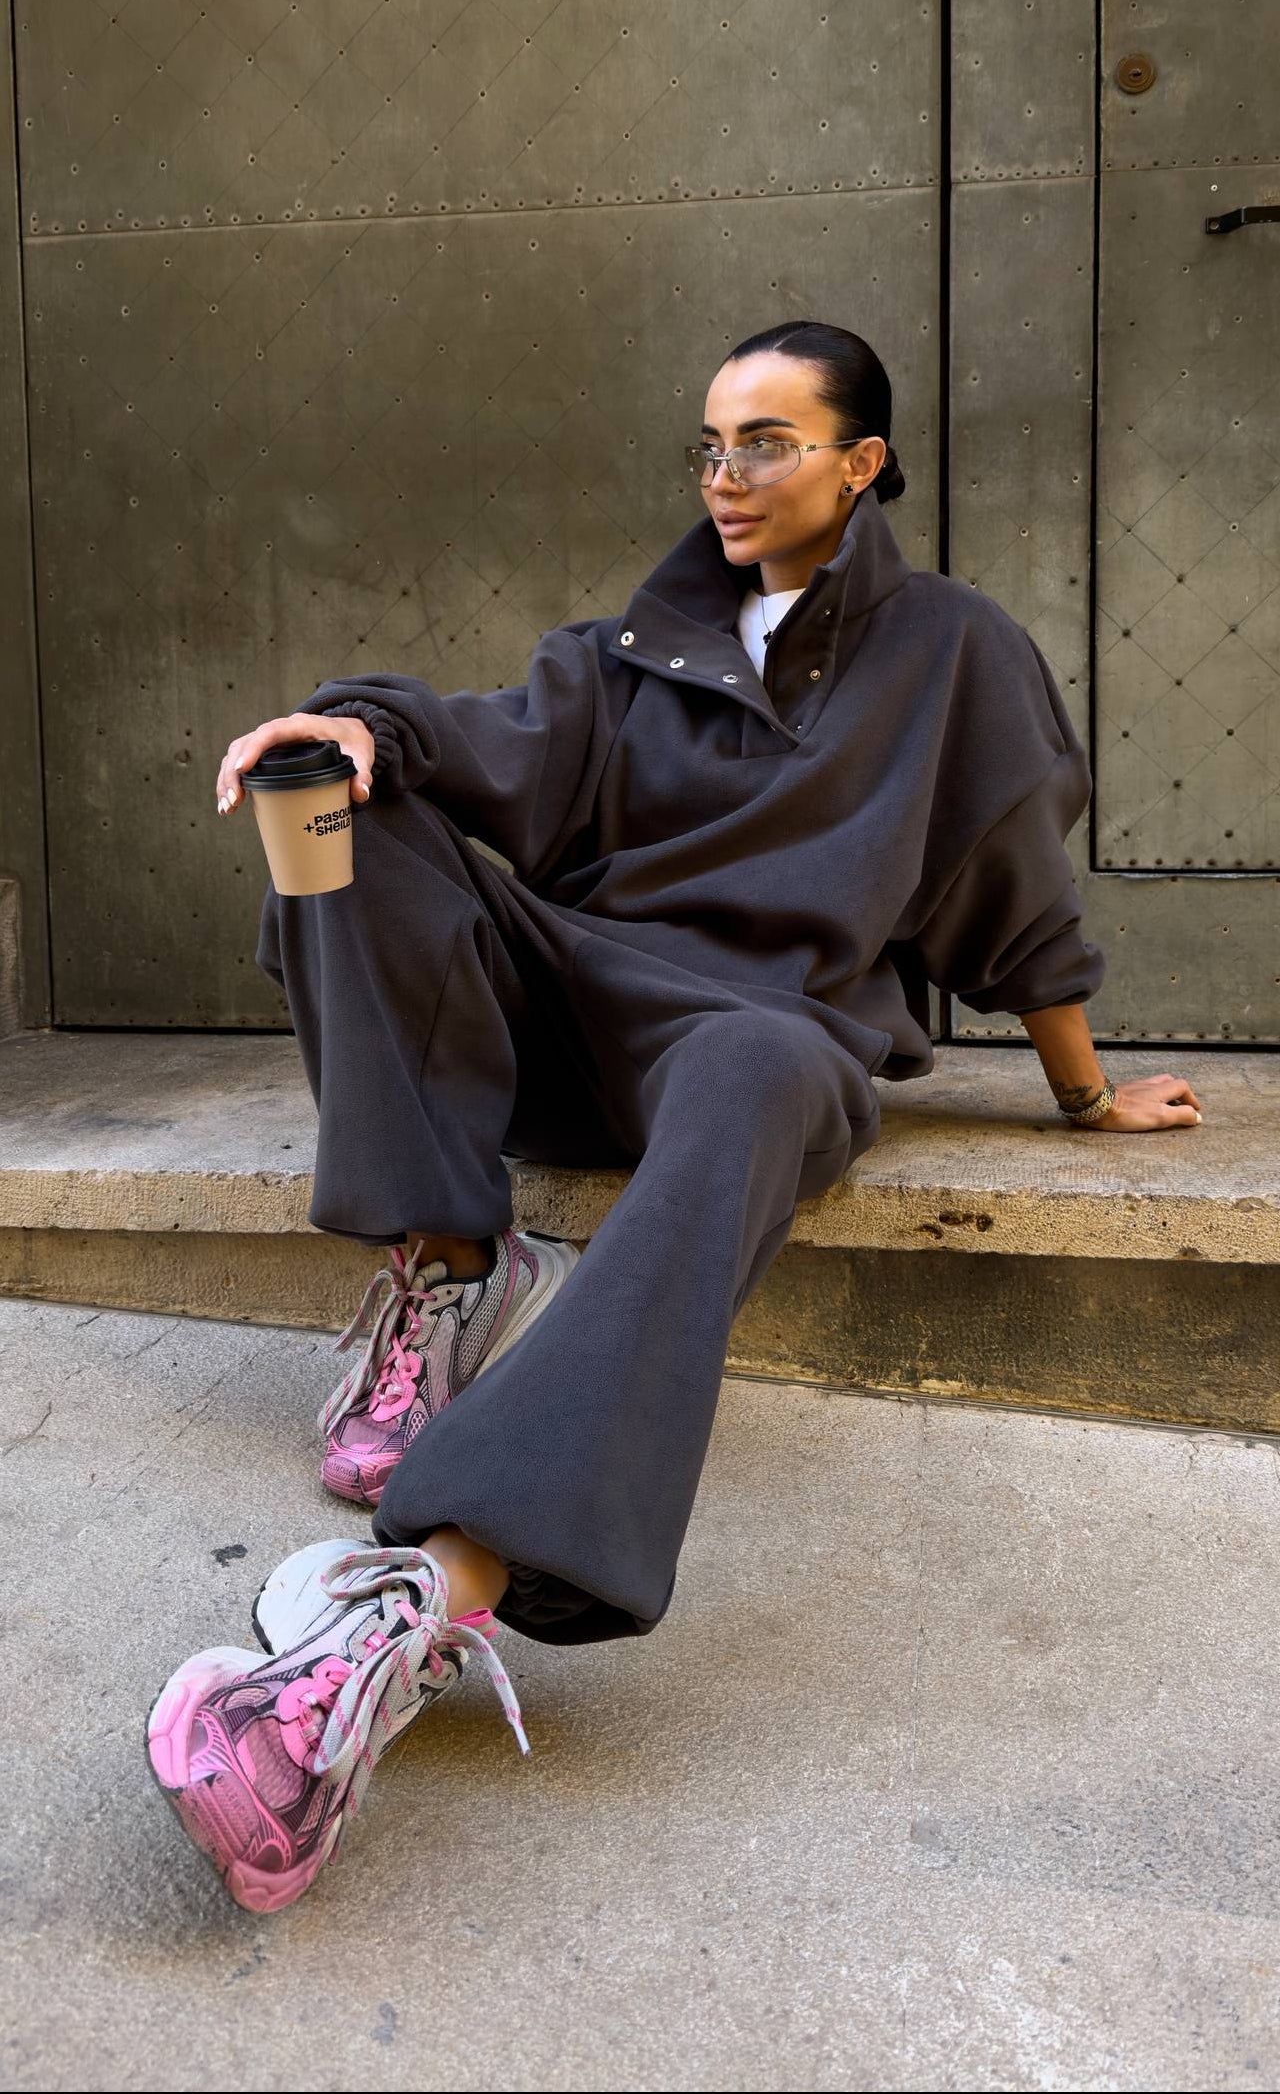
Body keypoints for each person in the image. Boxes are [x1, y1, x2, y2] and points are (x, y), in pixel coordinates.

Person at [147, 319, 1205, 1913]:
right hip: (576, 995)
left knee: (766, 1070)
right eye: (712, 445)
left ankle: (407, 1615)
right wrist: (360, 725)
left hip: (760, 1035)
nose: (726, 476)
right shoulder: (632, 651)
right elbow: (479, 737)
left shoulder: (953, 653)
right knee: (339, 799)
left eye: (768, 442)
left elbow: (1016, 900)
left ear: (865, 461)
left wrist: (1086, 1091)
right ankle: (449, 1262)